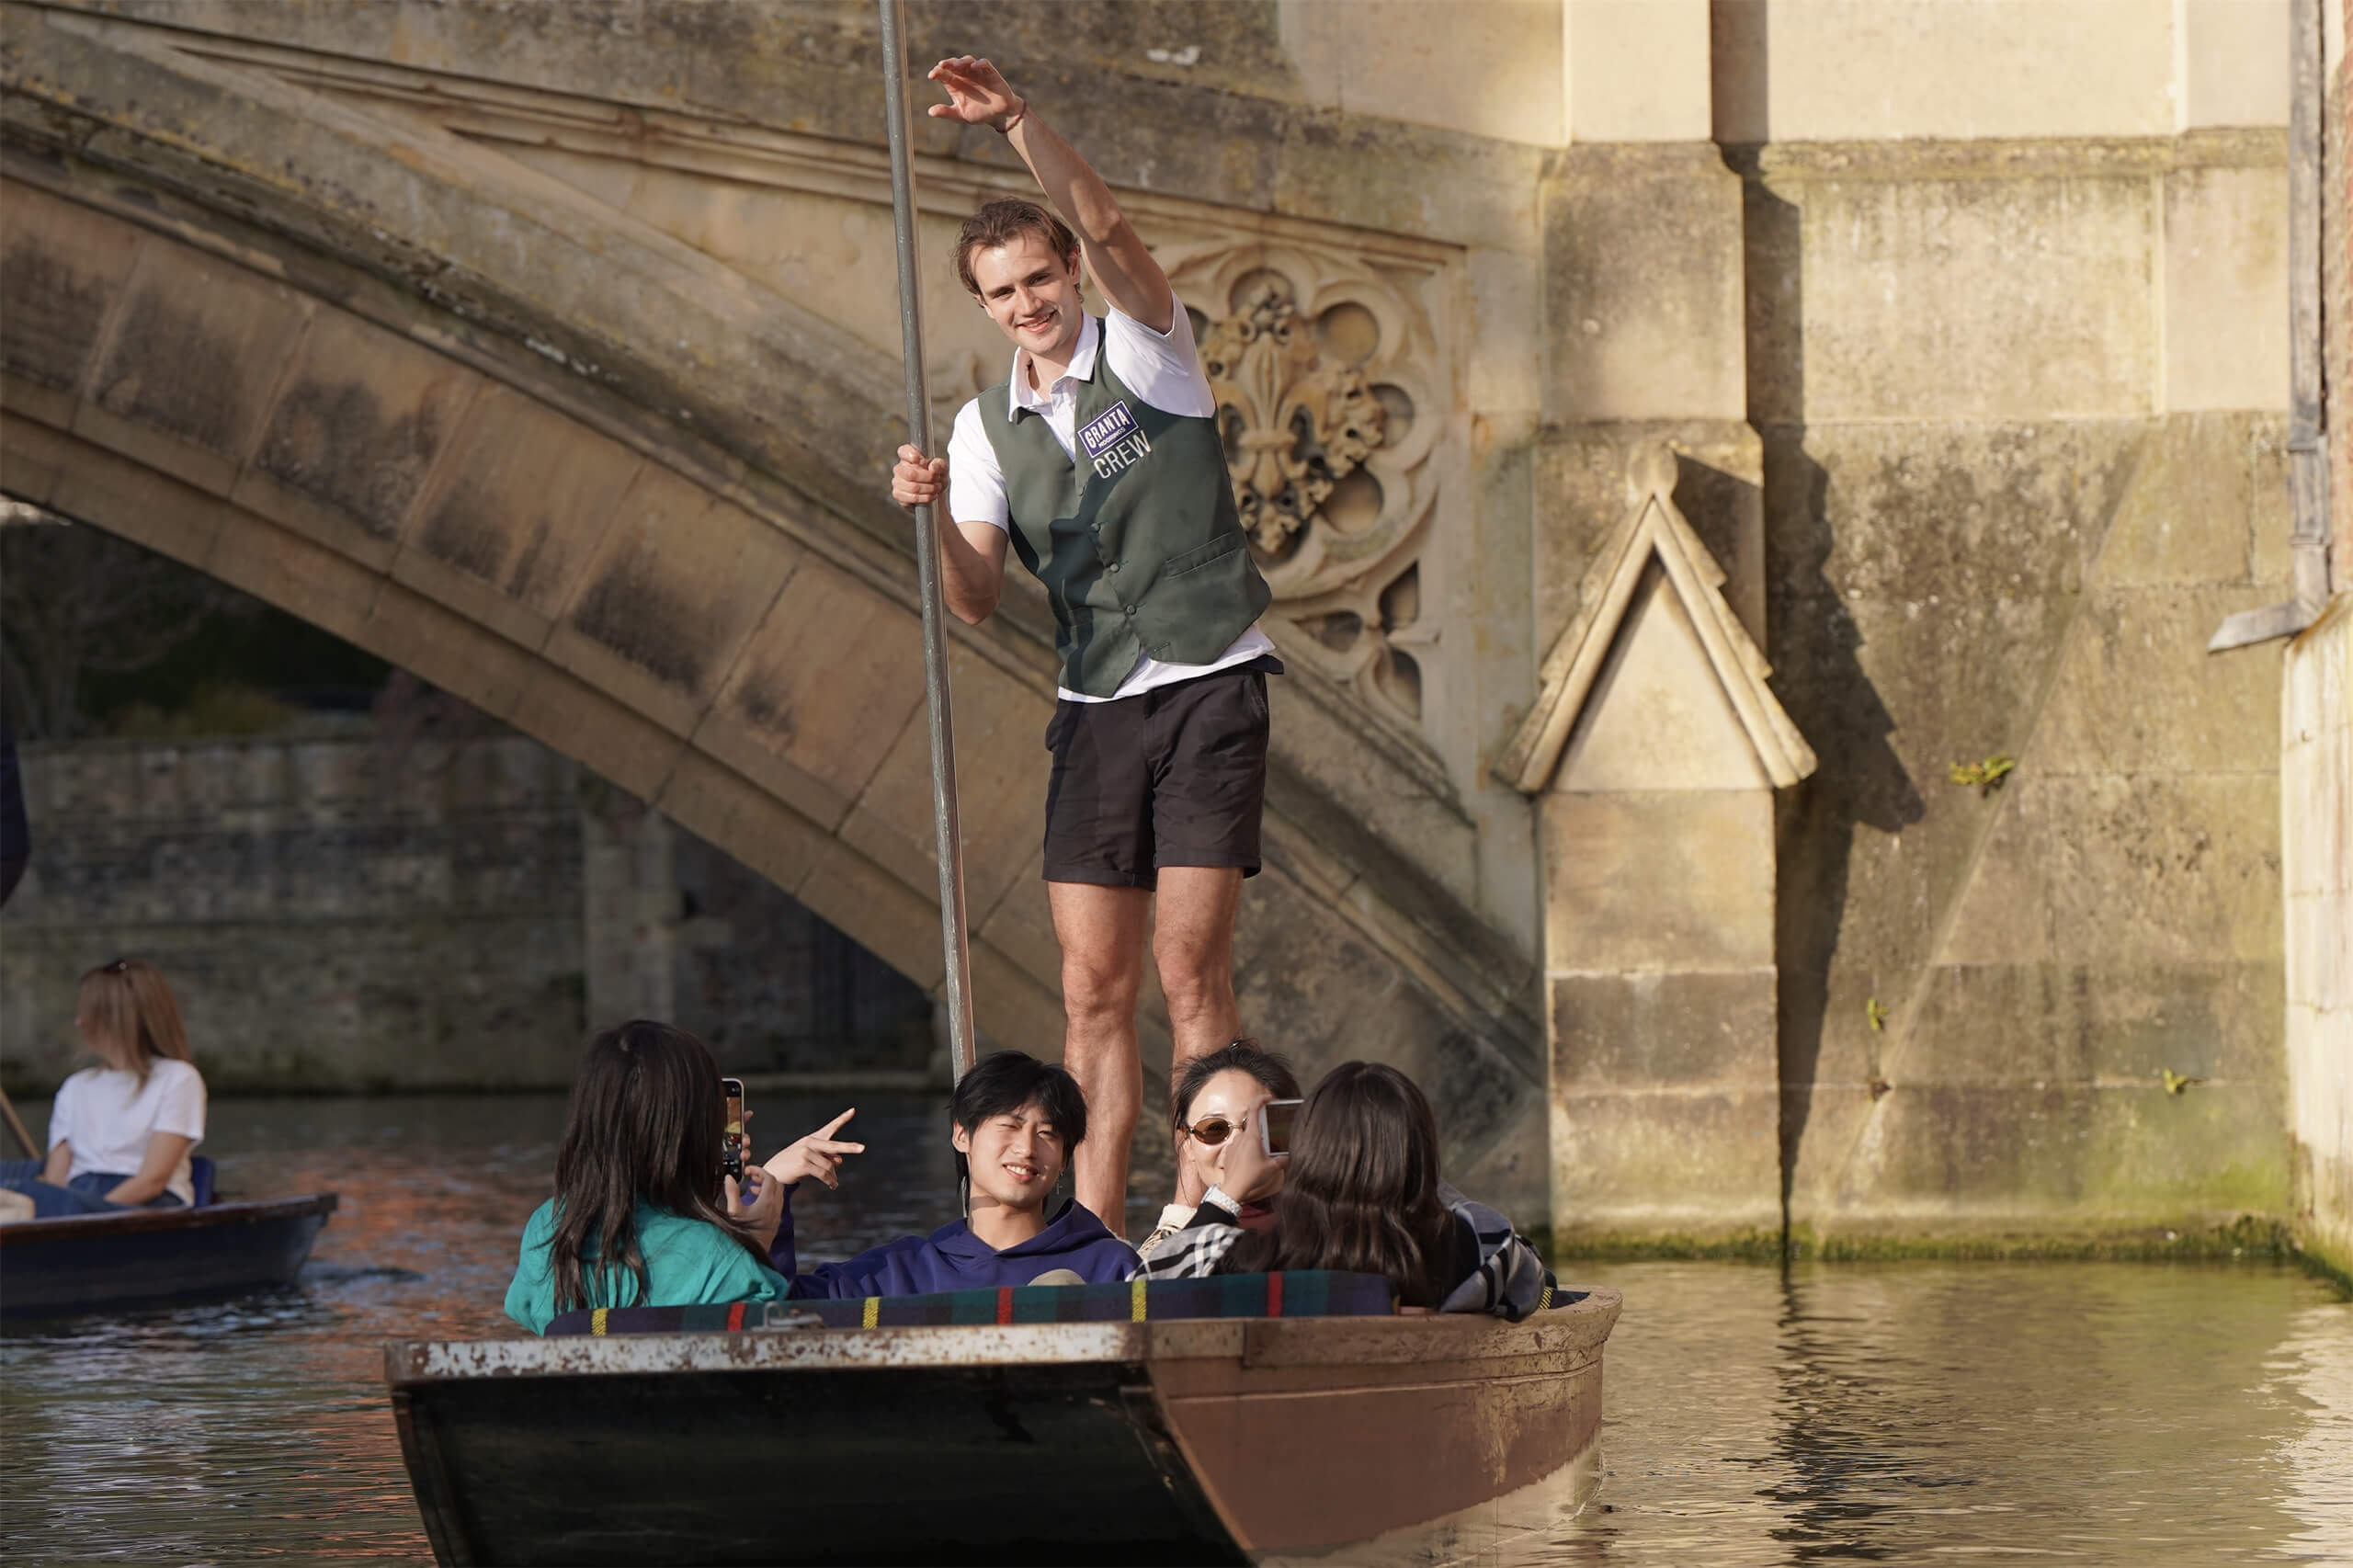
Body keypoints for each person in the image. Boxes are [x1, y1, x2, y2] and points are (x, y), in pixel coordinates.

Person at [890, 54, 1280, 1230]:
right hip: (1097, 703)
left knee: (1186, 970)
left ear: (1066, 272)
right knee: (1090, 989)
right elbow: (971, 594)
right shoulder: (979, 425)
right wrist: (927, 521)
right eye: (1002, 293)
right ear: (984, 306)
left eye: (1039, 278)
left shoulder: (1148, 347)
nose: (1027, 305)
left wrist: (1017, 124)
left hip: (1209, 678)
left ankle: (1210, 1205)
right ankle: (1102, 1229)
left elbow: (1107, 218)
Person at [1142, 1061, 1555, 1320]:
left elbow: (1148, 1288)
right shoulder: (1469, 1245)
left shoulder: (1262, 1255)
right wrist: (1417, 1178)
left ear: (1311, 1150)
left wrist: (1230, 1189)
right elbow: (1535, 1280)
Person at [765, 1050, 1137, 1297]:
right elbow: (774, 1309)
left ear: (1065, 1160)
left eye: (1047, 1134)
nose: (1026, 1148)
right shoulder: (898, 1276)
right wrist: (771, 1188)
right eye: (1009, 1125)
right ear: (962, 1135)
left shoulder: (1109, 1269)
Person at [504, 1020, 793, 1335]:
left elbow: (531, 1312)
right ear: (694, 1134)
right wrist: (755, 1245)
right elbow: (760, 1350)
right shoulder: (720, 1258)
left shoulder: (546, 1229)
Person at [1, 959, 207, 1219]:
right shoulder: (75, 1087)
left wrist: (83, 1215)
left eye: (87, 1012)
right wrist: (65, 1207)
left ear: (115, 1018)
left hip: (148, 1204)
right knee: (25, 1195)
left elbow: (152, 1180)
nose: (79, 1022)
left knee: (22, 1198)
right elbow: (56, 1180)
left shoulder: (178, 1078)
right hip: (77, 1198)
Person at [1135, 1039, 1300, 1263]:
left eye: (1255, 1125)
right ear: (1187, 1143)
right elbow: (1149, 1295)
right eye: (1214, 1129)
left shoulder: (1329, 1224)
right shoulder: (1165, 1249)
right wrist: (1229, 1195)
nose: (1237, 1145)